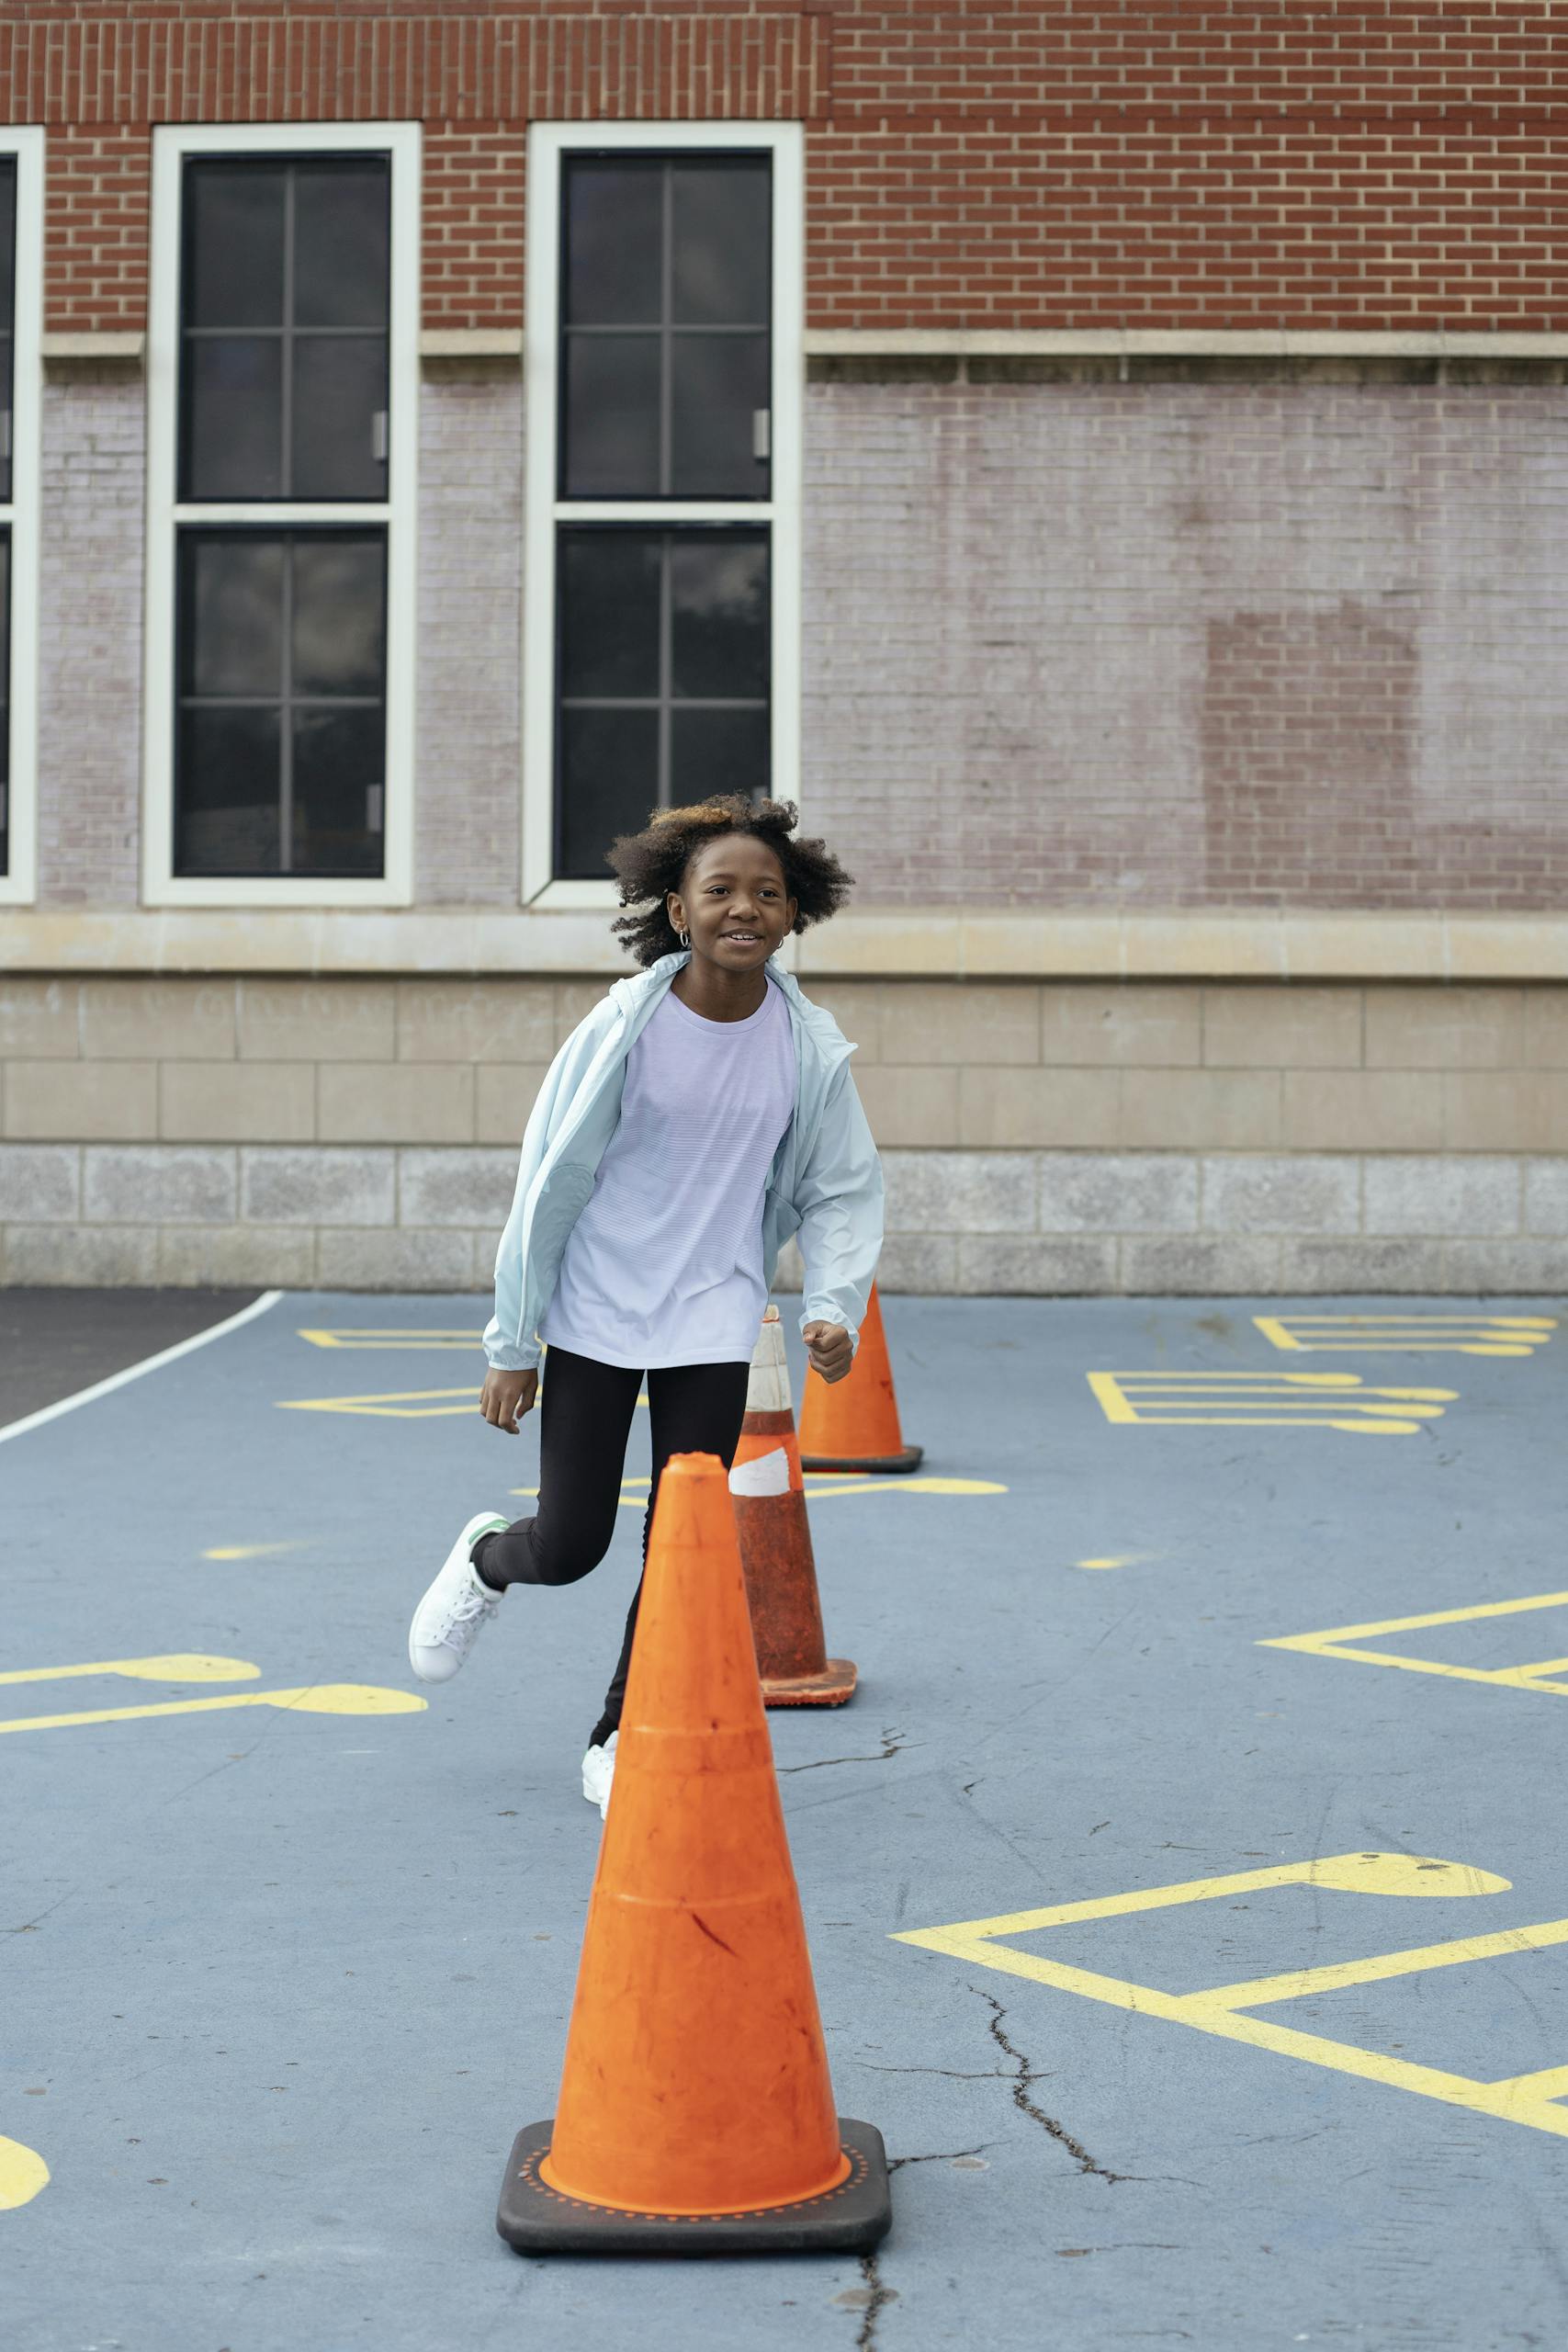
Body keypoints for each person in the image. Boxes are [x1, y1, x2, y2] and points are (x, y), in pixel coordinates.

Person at [406, 794, 885, 1816]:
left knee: (683, 1547)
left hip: (713, 1317)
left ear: (794, 913)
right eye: (720, 890)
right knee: (570, 1545)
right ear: (677, 909)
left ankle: (620, 1730)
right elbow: (546, 1181)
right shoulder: (623, 1027)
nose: (744, 908)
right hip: (599, 1310)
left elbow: (841, 1188)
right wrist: (512, 1340)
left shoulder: (807, 1047)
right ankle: (489, 1559)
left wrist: (834, 1304)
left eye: (768, 892)